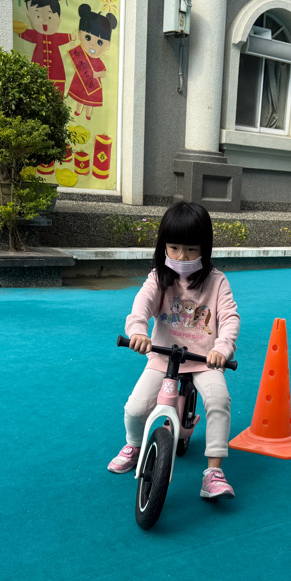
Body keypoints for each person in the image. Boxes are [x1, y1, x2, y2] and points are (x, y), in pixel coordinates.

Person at [108, 201, 241, 500]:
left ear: (205, 248)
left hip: (204, 360)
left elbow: (230, 317)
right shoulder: (159, 277)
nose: (182, 256)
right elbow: (142, 304)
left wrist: (222, 348)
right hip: (163, 356)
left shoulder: (216, 281)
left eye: (192, 249)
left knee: (219, 401)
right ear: (163, 247)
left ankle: (213, 472)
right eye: (174, 248)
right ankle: (134, 445)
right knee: (135, 409)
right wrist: (138, 331)